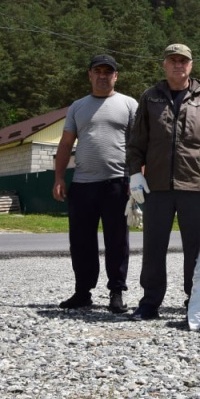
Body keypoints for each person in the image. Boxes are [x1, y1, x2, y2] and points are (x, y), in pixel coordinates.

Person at [126, 43, 200, 320]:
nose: (178, 65)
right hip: (156, 186)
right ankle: (149, 303)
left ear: (191, 65)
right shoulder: (150, 97)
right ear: (165, 65)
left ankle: (194, 302)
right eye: (173, 60)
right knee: (154, 246)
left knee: (195, 248)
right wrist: (135, 173)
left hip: (193, 186)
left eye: (183, 60)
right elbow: (137, 142)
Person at [52, 54, 138, 313]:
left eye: (108, 71)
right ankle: (82, 292)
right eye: (97, 71)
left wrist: (137, 180)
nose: (103, 75)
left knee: (117, 240)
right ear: (90, 75)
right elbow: (66, 143)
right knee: (81, 240)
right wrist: (58, 178)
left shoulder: (129, 104)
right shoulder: (77, 106)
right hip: (83, 183)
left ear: (116, 76)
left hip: (117, 182)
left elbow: (138, 146)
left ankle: (116, 292)